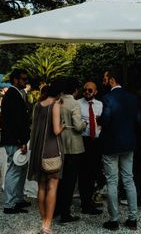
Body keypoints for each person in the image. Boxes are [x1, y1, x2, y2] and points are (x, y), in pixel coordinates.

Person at [99, 70, 140, 231]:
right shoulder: (132, 98)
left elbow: (106, 120)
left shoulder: (108, 98)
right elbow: (138, 121)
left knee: (112, 181)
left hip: (111, 144)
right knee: (129, 179)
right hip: (128, 143)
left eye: (105, 78)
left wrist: (99, 119)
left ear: (112, 80)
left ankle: (114, 220)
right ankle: (132, 218)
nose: (104, 81)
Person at [28, 78, 65, 234]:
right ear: (59, 92)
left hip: (37, 150)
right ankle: (47, 226)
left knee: (41, 186)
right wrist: (64, 125)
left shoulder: (37, 105)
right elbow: (56, 130)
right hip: (51, 149)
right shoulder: (55, 105)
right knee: (52, 187)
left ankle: (44, 221)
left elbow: (34, 128)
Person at [1, 68, 32, 214]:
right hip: (14, 140)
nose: (26, 81)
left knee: (20, 169)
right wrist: (21, 141)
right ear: (15, 80)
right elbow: (14, 121)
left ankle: (18, 199)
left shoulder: (17, 94)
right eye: (23, 79)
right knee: (14, 170)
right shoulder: (13, 95)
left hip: (16, 139)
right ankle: (9, 204)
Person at [55, 77, 86, 224]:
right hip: (73, 146)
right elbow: (78, 126)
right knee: (69, 181)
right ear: (75, 90)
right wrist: (84, 123)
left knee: (59, 180)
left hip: (59, 144)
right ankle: (65, 214)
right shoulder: (74, 103)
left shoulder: (57, 101)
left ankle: (56, 209)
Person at [76, 80, 104, 215]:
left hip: (97, 142)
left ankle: (90, 200)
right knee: (83, 174)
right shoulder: (77, 104)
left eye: (90, 90)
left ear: (96, 92)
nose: (87, 92)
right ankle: (85, 204)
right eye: (85, 90)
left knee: (94, 172)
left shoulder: (100, 105)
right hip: (83, 141)